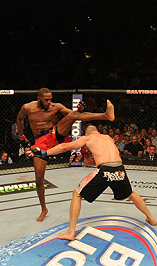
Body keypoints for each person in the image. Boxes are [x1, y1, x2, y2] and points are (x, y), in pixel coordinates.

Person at [26, 124, 156, 240]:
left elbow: (66, 146)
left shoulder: (88, 138)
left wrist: (44, 152)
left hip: (105, 170)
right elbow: (100, 160)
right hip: (119, 169)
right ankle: (151, 218)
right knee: (131, 193)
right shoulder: (108, 139)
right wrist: (83, 159)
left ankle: (71, 232)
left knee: (76, 194)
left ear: (86, 133)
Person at [15, 88, 114, 222]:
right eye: (46, 100)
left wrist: (78, 110)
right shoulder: (27, 108)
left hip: (56, 134)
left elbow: (73, 114)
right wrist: (22, 136)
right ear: (39, 98)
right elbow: (19, 119)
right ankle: (44, 209)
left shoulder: (56, 107)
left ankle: (104, 115)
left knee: (73, 116)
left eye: (51, 99)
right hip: (40, 141)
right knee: (39, 179)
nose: (50, 102)